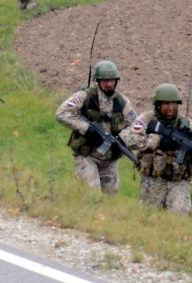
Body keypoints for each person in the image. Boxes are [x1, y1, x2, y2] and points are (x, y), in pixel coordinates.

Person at [120, 83, 192, 215]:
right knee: (149, 216)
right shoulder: (147, 119)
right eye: (166, 104)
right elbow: (130, 139)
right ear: (158, 105)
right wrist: (157, 141)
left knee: (180, 216)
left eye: (174, 104)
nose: (171, 108)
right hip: (153, 180)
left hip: (178, 181)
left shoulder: (186, 123)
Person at [55, 60, 137, 195]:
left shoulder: (122, 102)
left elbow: (134, 126)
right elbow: (61, 113)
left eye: (112, 80)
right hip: (87, 155)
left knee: (110, 196)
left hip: (110, 159)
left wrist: (123, 139)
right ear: (98, 81)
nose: (109, 84)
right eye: (105, 81)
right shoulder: (84, 96)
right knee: (90, 193)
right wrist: (86, 129)